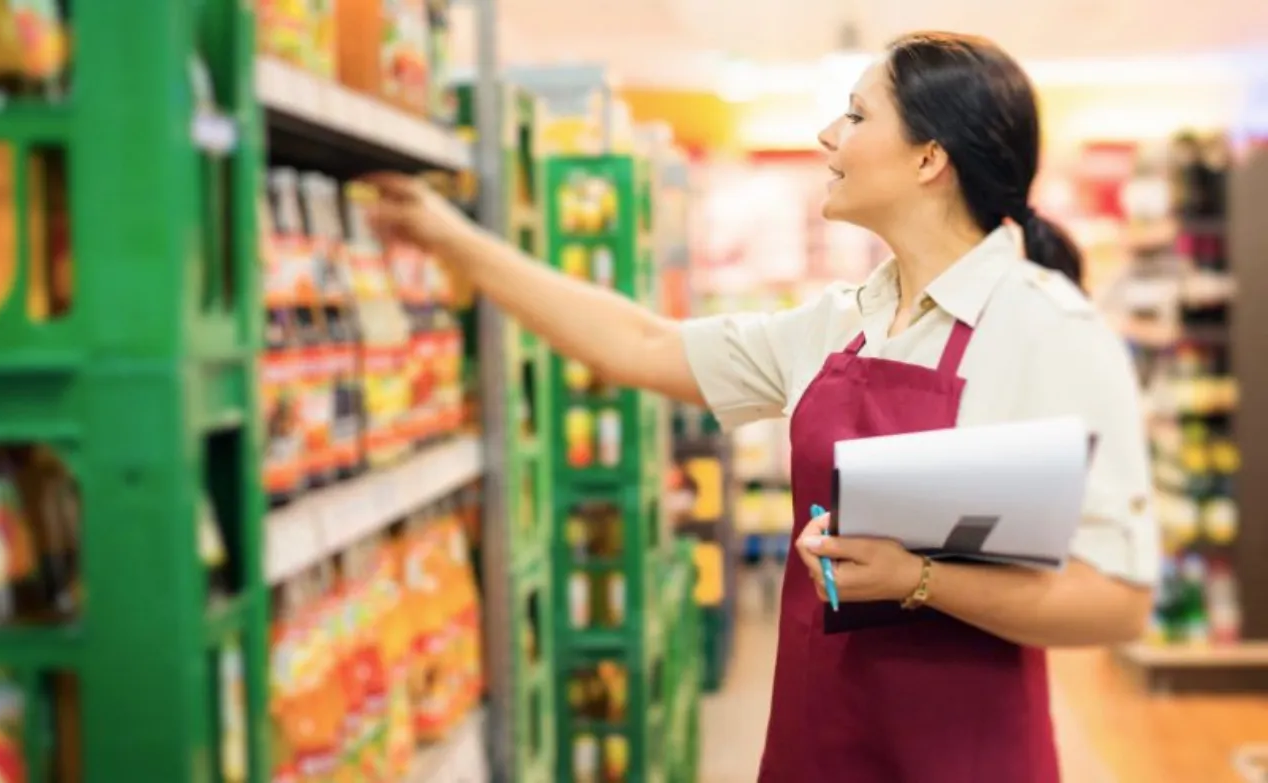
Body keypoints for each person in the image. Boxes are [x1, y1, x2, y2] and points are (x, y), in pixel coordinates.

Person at [365, 30, 1158, 783]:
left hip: (962, 754)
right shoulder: (839, 321)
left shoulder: (1047, 328)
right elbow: (636, 345)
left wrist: (919, 579)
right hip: (819, 734)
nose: (825, 136)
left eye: (853, 115)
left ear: (928, 156)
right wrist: (451, 239)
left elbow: (1117, 602)